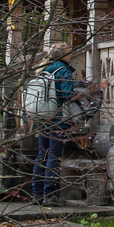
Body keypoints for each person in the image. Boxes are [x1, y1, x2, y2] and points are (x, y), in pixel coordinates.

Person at [31, 48, 75, 206]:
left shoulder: (44, 70)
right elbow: (67, 95)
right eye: (69, 53)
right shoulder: (63, 71)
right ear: (63, 55)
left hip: (42, 118)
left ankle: (37, 193)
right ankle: (49, 194)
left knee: (42, 154)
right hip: (57, 120)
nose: (71, 55)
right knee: (54, 156)